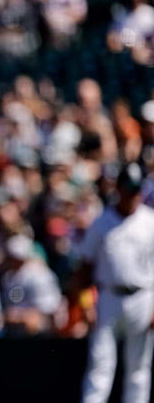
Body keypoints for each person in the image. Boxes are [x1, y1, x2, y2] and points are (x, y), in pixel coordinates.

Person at [79, 163, 154, 403]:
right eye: (128, 189)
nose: (132, 195)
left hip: (143, 297)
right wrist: (86, 303)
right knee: (100, 366)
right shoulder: (101, 222)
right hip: (107, 297)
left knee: (139, 369)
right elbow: (84, 268)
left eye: (136, 190)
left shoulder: (150, 222)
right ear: (119, 189)